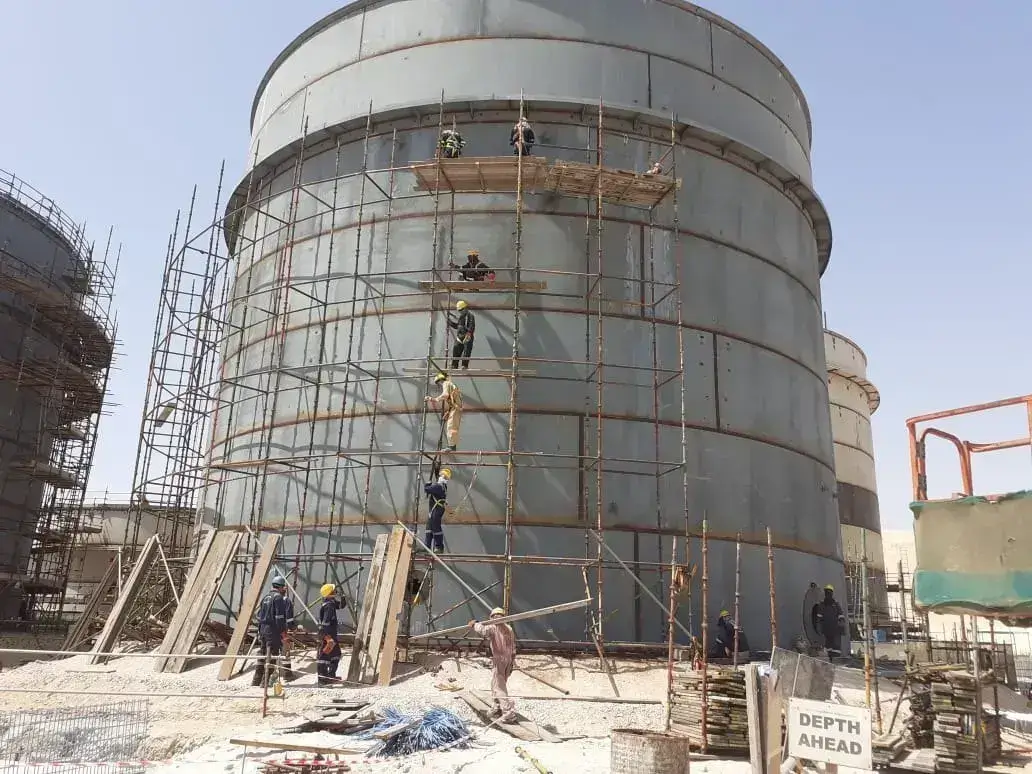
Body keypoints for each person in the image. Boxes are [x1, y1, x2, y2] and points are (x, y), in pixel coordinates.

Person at [469, 607, 516, 722]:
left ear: (492, 617)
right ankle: (497, 706)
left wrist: (474, 624)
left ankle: (508, 712)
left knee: (499, 687)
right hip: (508, 659)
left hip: (499, 659)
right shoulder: (509, 628)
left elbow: (483, 631)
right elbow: (513, 645)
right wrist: (513, 661)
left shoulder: (494, 626)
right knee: (496, 684)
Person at [252, 575, 301, 686]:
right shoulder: (279, 598)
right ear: (281, 587)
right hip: (272, 632)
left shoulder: (266, 597)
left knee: (263, 654)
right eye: (284, 587)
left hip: (263, 630)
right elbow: (279, 619)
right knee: (273, 656)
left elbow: (259, 615)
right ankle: (265, 684)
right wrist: (284, 635)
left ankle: (256, 681)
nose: (284, 589)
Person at [426, 372, 463, 450]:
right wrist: (448, 412)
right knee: (452, 427)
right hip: (455, 409)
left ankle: (452, 447)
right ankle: (452, 446)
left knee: (451, 427)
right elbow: (453, 400)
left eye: (438, 383)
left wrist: (433, 399)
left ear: (440, 380)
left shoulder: (446, 383)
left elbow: (445, 395)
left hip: (455, 409)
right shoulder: (451, 384)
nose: (439, 385)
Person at [316, 583, 343, 686]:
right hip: (327, 636)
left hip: (331, 635)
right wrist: (328, 639)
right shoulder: (329, 606)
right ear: (330, 593)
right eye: (334, 590)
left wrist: (343, 597)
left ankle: (331, 676)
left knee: (336, 655)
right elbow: (325, 624)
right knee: (324, 657)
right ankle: (322, 681)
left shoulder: (329, 602)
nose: (335, 591)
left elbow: (340, 606)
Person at [812, 584, 846, 662]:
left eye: (828, 592)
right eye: (827, 592)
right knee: (832, 646)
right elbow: (819, 618)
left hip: (831, 629)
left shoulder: (827, 605)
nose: (828, 594)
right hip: (831, 629)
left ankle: (833, 660)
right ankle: (833, 660)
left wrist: (819, 628)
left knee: (832, 646)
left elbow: (819, 619)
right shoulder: (832, 604)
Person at [423, 468, 451, 553]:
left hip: (436, 510)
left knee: (436, 527)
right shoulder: (443, 486)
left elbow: (427, 489)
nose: (442, 476)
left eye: (443, 475)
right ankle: (427, 547)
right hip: (435, 510)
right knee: (429, 528)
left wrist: (427, 484)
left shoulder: (439, 486)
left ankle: (439, 547)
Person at [448, 300, 476, 370]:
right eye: (459, 310)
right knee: (456, 350)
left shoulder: (470, 316)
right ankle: (454, 365)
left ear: (465, 308)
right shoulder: (461, 317)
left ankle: (464, 365)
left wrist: (469, 334)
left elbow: (471, 326)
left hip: (467, 336)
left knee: (466, 352)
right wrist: (451, 323)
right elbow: (458, 326)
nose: (460, 311)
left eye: (461, 310)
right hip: (460, 337)